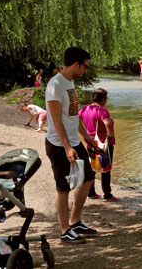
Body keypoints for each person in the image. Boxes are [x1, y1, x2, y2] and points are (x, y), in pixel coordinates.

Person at [45, 47, 97, 244]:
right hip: (59, 144)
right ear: (76, 64)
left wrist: (86, 136)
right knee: (63, 187)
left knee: (88, 180)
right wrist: (67, 147)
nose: (85, 70)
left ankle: (75, 221)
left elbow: (73, 115)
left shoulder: (69, 82)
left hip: (74, 142)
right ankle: (65, 229)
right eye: (85, 66)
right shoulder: (55, 85)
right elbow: (57, 120)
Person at [78, 88, 119, 201]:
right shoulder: (102, 109)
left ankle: (91, 193)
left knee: (92, 167)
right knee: (105, 168)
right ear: (104, 99)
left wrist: (85, 133)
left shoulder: (85, 108)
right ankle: (107, 194)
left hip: (90, 142)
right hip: (103, 143)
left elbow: (77, 118)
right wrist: (109, 136)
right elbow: (108, 123)